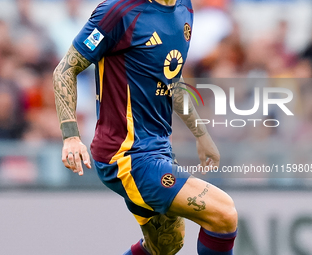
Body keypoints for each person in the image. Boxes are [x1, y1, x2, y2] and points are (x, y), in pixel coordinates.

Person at [53, 0, 238, 254]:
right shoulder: (118, 11)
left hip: (157, 149)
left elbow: (171, 75)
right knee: (224, 213)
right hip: (127, 155)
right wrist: (71, 136)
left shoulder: (184, 8)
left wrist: (201, 133)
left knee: (165, 245)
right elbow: (65, 70)